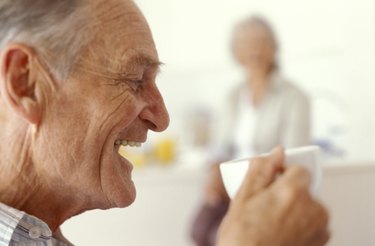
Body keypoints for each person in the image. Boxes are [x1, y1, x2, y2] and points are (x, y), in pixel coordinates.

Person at [0, 1, 328, 246]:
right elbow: (220, 145)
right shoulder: (233, 96)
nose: (162, 119)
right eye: (134, 79)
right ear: (26, 83)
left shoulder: (40, 236)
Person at [191, 16, 311, 246]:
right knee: (199, 229)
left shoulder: (294, 97)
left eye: (262, 41)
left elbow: (294, 158)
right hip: (231, 186)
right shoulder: (232, 96)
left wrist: (258, 185)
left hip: (265, 187)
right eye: (247, 42)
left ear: (274, 48)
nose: (255, 48)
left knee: (224, 237)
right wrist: (214, 173)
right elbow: (220, 146)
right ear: (236, 52)